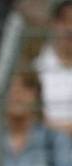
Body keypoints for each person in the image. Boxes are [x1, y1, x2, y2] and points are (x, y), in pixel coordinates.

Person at [34, 0, 72, 136]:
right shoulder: (35, 65)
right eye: (65, 21)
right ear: (53, 24)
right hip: (44, 142)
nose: (70, 28)